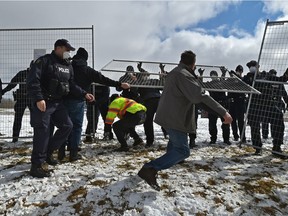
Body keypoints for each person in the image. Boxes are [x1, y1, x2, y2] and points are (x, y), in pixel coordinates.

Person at [137, 50, 233, 190]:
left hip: (170, 115)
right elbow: (199, 96)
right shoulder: (183, 75)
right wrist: (223, 112)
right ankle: (150, 168)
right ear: (193, 64)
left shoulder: (176, 72)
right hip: (174, 117)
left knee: (174, 146)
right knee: (183, 151)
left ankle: (161, 165)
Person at [27, 39, 94, 178]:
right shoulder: (44, 61)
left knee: (67, 126)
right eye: (67, 49)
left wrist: (83, 93)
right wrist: (39, 98)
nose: (68, 52)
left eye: (69, 50)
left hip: (58, 103)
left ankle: (48, 152)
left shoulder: (68, 66)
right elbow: (33, 80)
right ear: (58, 48)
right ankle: (37, 166)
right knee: (43, 132)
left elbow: (71, 84)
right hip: (44, 102)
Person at [59, 47, 130, 161]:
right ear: (85, 58)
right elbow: (103, 79)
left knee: (64, 126)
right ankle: (73, 153)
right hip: (78, 100)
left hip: (63, 100)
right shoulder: (87, 70)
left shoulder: (67, 66)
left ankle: (61, 152)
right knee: (76, 126)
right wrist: (119, 84)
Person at [243, 60, 288, 155]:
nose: (252, 68)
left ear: (258, 66)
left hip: (268, 104)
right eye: (250, 67)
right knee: (254, 126)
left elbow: (281, 80)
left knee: (278, 120)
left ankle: (277, 147)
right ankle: (257, 147)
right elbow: (240, 85)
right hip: (254, 105)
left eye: (253, 66)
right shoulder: (247, 78)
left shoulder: (267, 75)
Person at [136, 62, 168, 147]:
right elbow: (135, 90)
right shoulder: (139, 84)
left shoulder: (153, 81)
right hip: (148, 102)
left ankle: (167, 133)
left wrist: (162, 71)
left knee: (164, 118)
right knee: (148, 121)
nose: (146, 76)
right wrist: (139, 69)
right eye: (143, 75)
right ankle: (150, 140)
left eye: (147, 75)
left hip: (159, 100)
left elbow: (162, 85)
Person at [1, 61, 34, 143]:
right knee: (18, 119)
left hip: (33, 99)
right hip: (22, 98)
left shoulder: (39, 74)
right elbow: (12, 84)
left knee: (36, 119)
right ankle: (15, 139)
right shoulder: (22, 73)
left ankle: (36, 137)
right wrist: (3, 91)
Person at [207, 70, 231, 145]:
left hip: (222, 105)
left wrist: (223, 73)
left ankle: (226, 139)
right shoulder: (209, 84)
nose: (213, 76)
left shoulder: (221, 82)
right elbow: (201, 85)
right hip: (213, 105)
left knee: (225, 122)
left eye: (214, 74)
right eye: (212, 75)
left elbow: (224, 80)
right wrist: (201, 74)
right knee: (212, 123)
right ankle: (213, 139)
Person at [227, 65, 247, 142]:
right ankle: (235, 135)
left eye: (240, 71)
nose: (239, 72)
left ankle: (243, 137)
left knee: (241, 121)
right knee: (233, 121)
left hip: (240, 103)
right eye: (237, 71)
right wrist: (232, 76)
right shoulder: (231, 80)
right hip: (232, 102)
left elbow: (243, 84)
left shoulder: (243, 79)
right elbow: (227, 84)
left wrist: (237, 76)